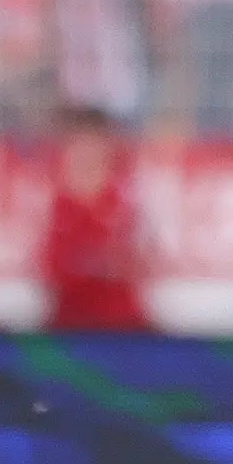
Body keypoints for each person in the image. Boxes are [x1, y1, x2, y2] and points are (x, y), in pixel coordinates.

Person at [41, 106, 150, 332]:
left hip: (124, 328)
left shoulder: (130, 197)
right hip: (68, 327)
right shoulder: (48, 200)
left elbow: (144, 261)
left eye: (93, 143)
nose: (86, 153)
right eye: (78, 144)